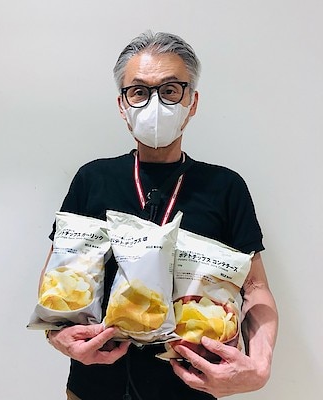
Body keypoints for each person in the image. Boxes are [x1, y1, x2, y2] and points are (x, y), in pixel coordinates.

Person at [44, 31, 278, 400]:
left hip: (190, 387)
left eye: (170, 90)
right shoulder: (93, 179)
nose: (155, 104)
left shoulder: (224, 187)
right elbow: (58, 275)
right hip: (94, 386)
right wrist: (57, 334)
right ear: (122, 105)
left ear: (192, 101)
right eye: (139, 91)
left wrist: (260, 366)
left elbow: (255, 288)